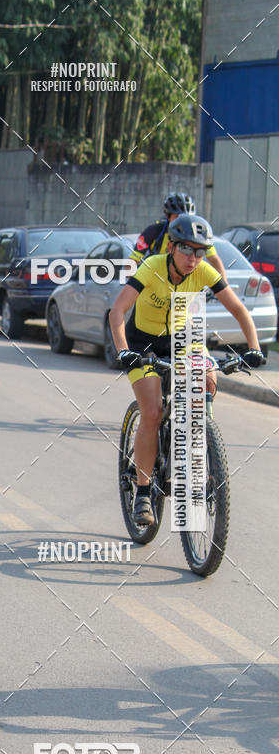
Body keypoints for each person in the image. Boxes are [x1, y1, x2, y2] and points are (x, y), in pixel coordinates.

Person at [110, 213, 264, 527]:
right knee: (152, 412)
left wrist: (254, 347)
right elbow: (118, 310)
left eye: (200, 251)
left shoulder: (204, 271)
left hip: (182, 339)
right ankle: (142, 491)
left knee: (207, 378)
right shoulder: (152, 267)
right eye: (186, 250)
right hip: (143, 343)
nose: (193, 258)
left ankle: (198, 439)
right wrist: (123, 350)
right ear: (172, 246)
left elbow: (237, 308)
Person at [131, 192, 227, 280]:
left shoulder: (199, 235)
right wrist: (135, 284)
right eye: (177, 217)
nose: (181, 222)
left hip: (185, 286)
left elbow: (214, 260)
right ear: (168, 216)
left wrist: (224, 284)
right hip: (156, 283)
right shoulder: (153, 231)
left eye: (186, 218)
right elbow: (132, 262)